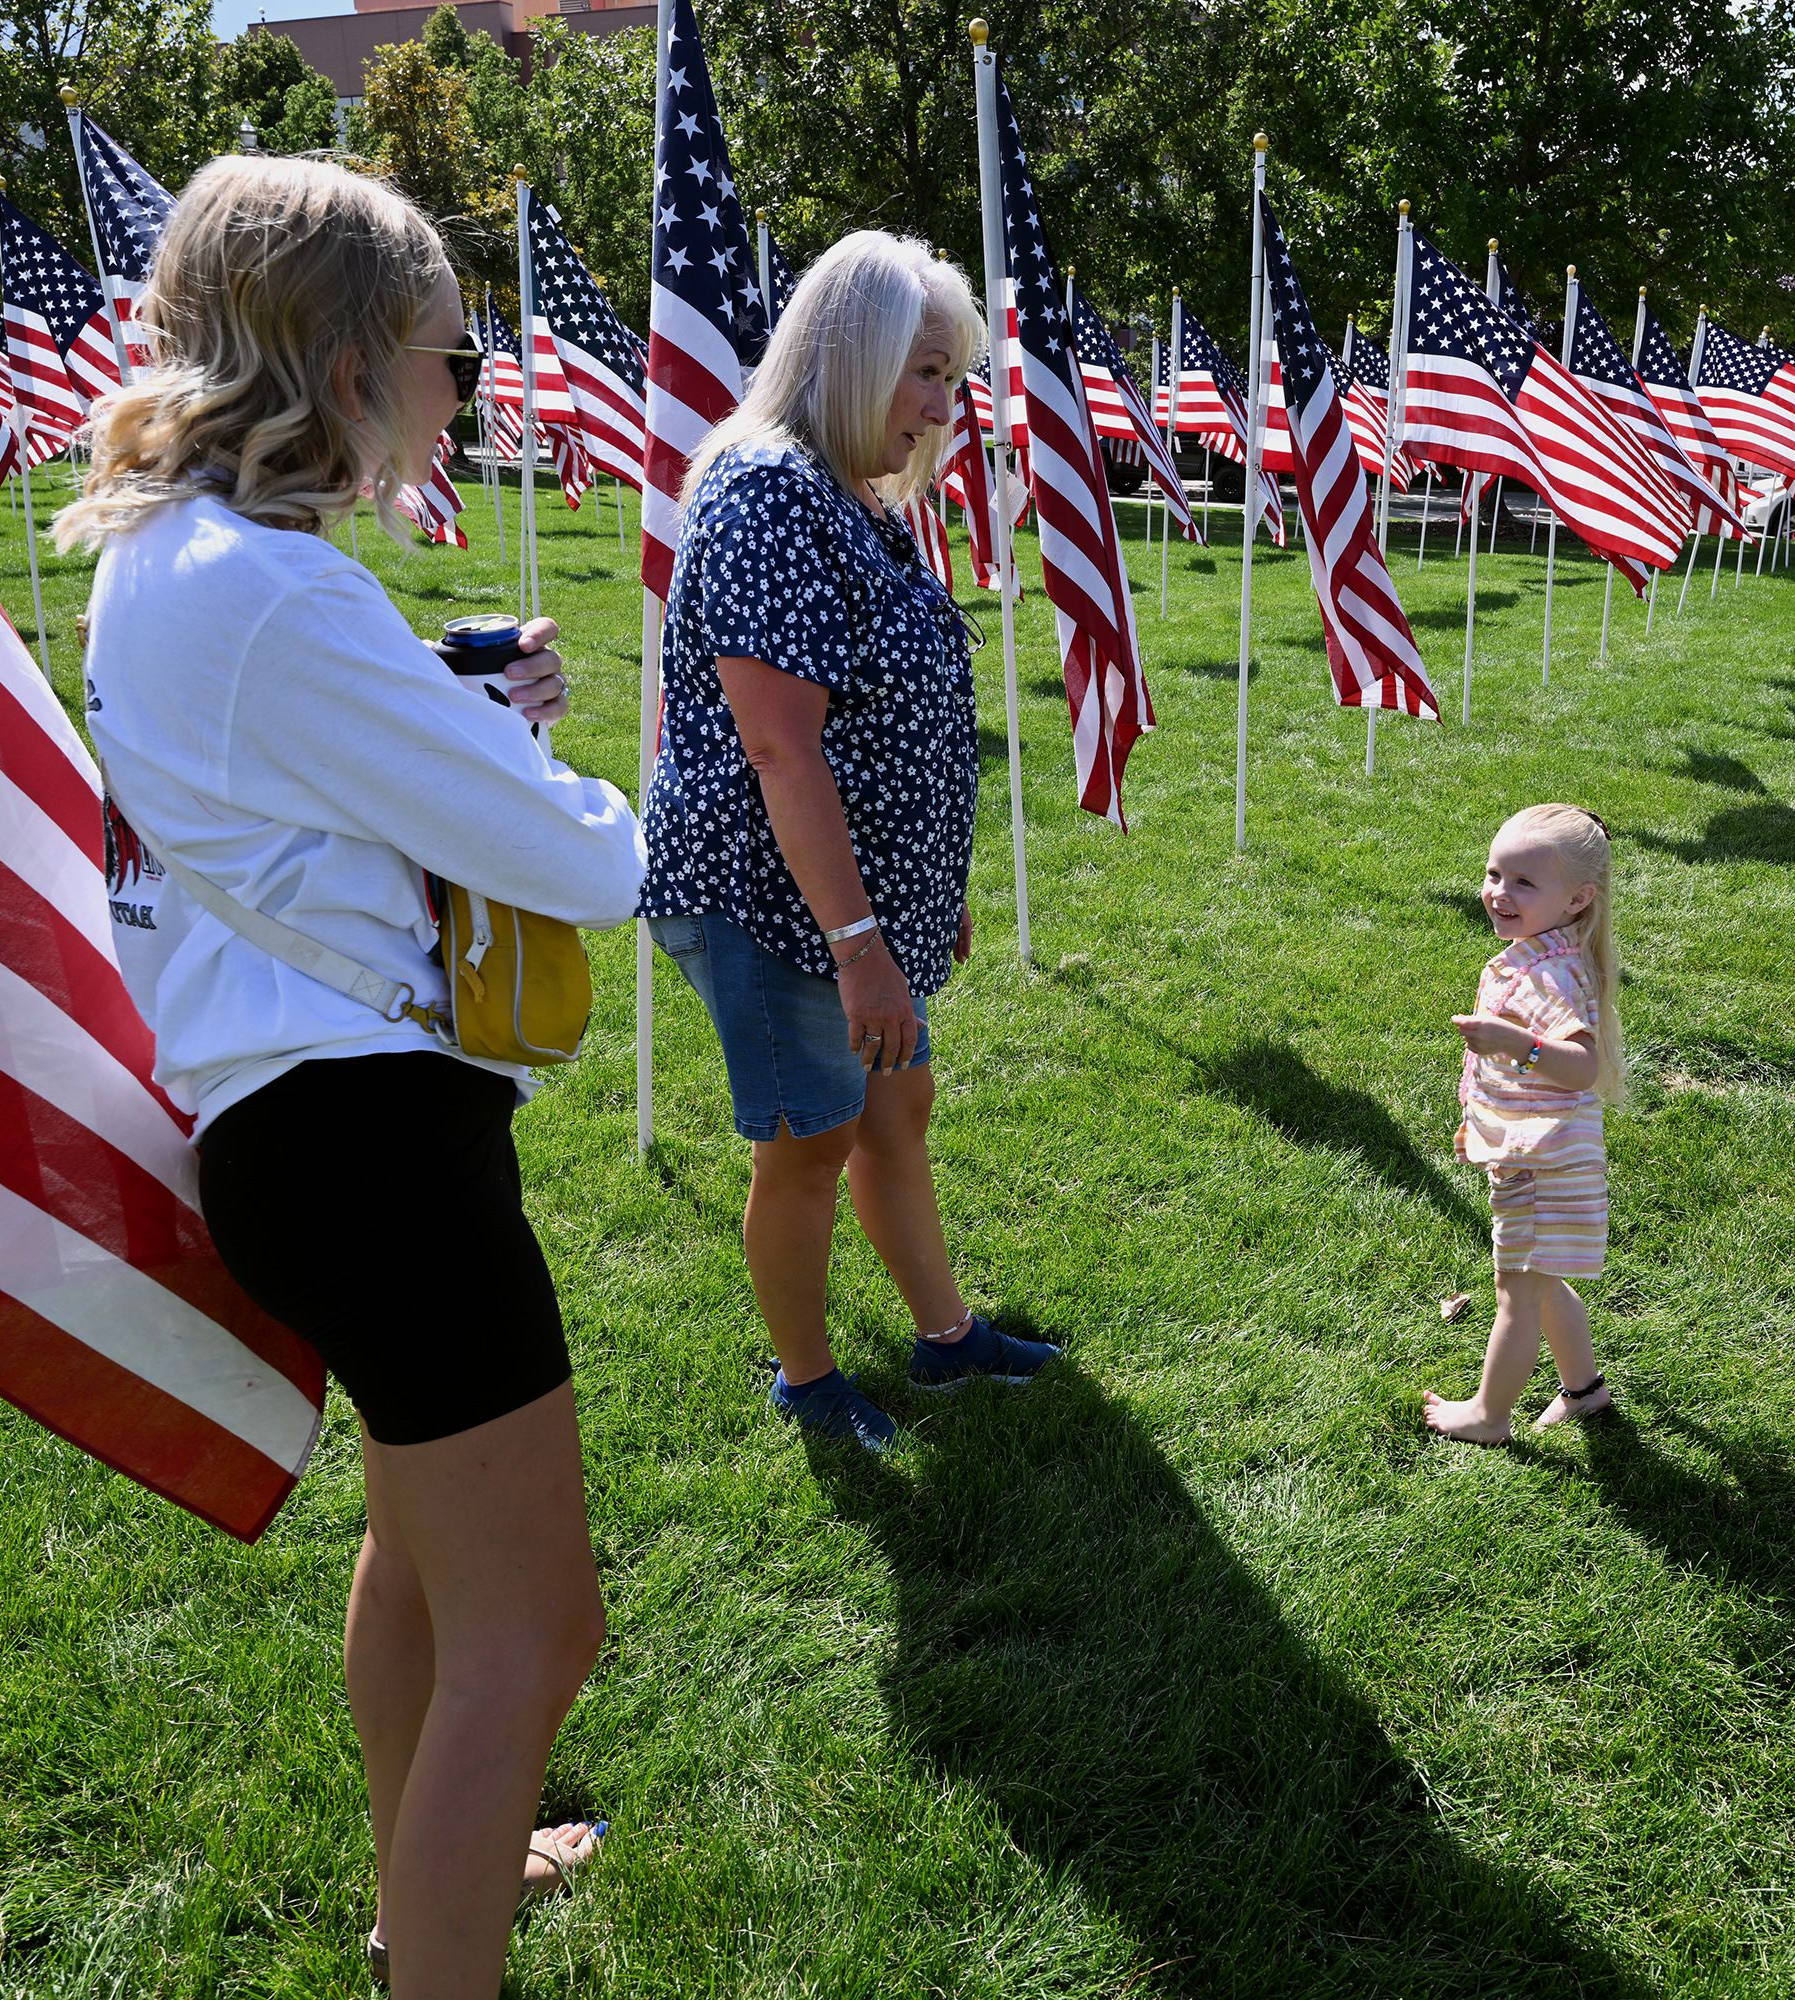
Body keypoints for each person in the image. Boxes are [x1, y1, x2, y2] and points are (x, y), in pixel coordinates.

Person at [62, 156, 642, 1997]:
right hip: (372, 1147)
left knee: (421, 1567)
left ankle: (428, 1893)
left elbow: (296, 807)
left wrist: (461, 729)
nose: (465, 391)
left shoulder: (186, 560)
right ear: (342, 358)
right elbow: (583, 868)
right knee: (536, 1639)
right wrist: (571, 789)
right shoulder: (270, 591)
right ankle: (435, 1959)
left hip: (312, 1135)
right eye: (445, 354)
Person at [639, 231, 1058, 1455]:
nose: (941, 407)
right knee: (812, 1136)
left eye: (951, 378)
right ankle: (808, 1379)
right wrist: (863, 945)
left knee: (898, 1107)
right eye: (924, 372)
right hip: (770, 897)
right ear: (852, 353)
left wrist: (931, 896)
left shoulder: (850, 495)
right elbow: (782, 751)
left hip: (857, 902)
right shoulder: (768, 487)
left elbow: (897, 716)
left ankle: (946, 1337)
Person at [1424, 805, 1623, 1445]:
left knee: (1516, 1291)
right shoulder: (1538, 953)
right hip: (1538, 1151)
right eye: (1494, 874)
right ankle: (1585, 1391)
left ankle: (1489, 1415)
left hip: (1545, 1159)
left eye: (1523, 883)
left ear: (1576, 899)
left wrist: (1516, 1043)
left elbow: (1583, 1065)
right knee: (1541, 1279)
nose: (1498, 893)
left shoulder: (1549, 976)